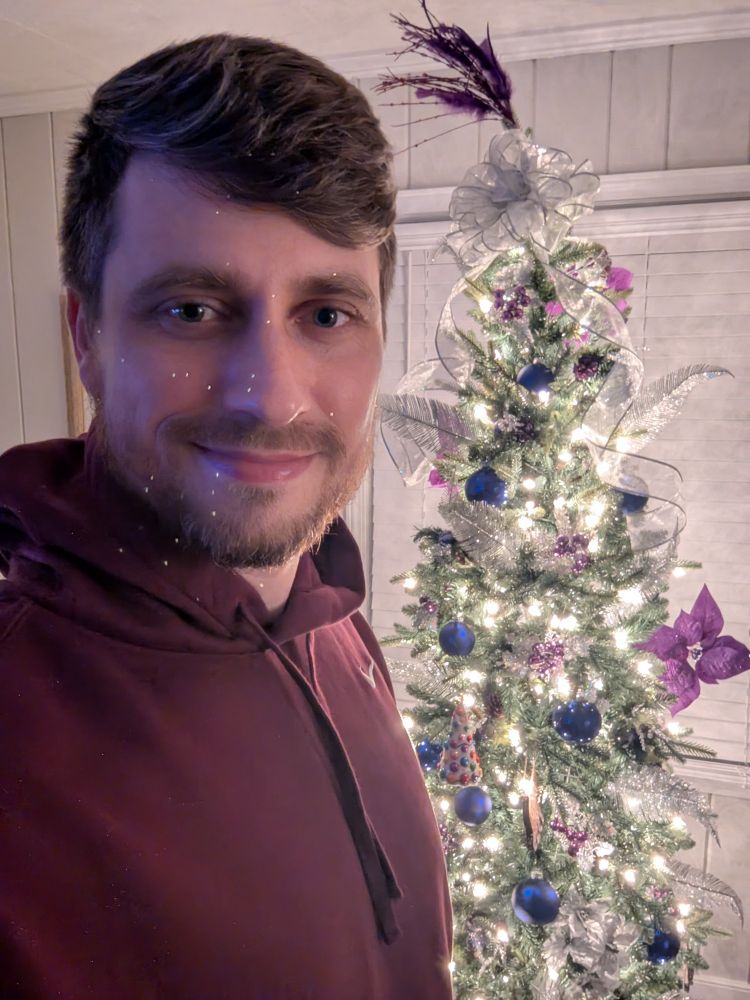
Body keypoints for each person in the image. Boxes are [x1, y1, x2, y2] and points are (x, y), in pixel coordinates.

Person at [0, 34, 453, 999]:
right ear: (87, 336)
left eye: (328, 314)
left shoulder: (332, 615)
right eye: (194, 310)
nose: (271, 397)